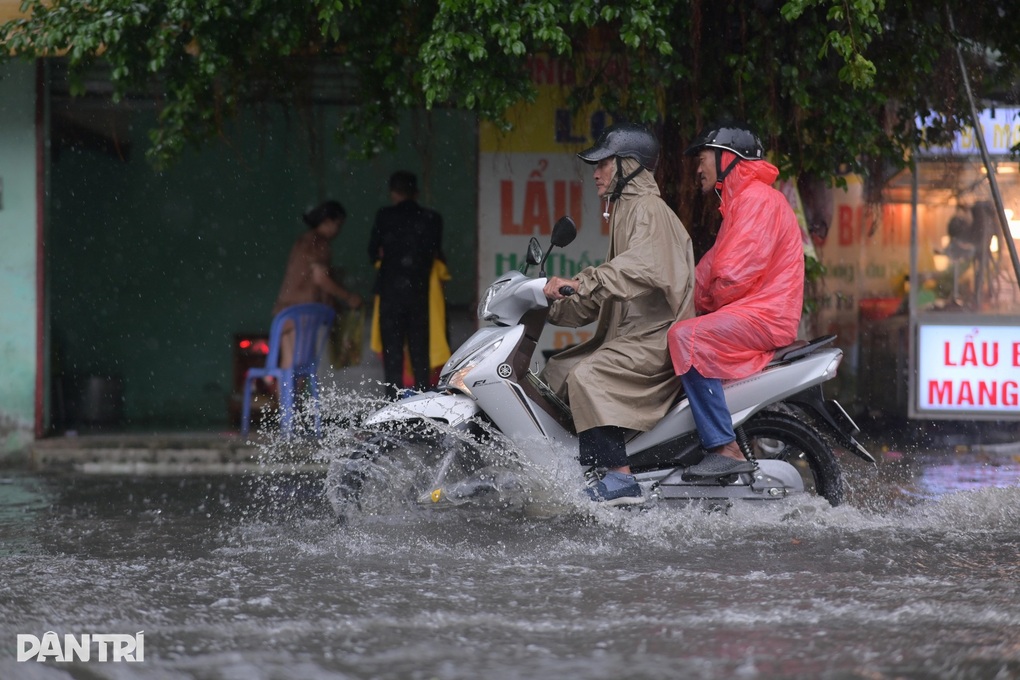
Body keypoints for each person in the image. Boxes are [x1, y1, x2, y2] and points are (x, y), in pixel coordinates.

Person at [541, 123, 696, 505]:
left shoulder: (647, 210)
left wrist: (581, 282)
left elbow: (637, 270)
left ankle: (619, 477)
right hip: (631, 338)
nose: (595, 172)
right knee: (554, 373)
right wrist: (552, 306)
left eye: (604, 163)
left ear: (629, 166)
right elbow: (608, 293)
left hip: (655, 340)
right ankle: (578, 467)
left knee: (587, 377)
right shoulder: (625, 209)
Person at [667, 123, 805, 477]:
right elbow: (707, 271)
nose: (698, 168)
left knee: (687, 337)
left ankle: (723, 447)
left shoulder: (756, 200)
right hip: (756, 313)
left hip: (764, 316)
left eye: (702, 158)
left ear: (727, 157)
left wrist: (705, 301)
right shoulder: (740, 203)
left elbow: (732, 276)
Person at [368, 171, 444, 399]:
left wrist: (389, 253)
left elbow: (373, 252)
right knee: (420, 354)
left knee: (393, 356)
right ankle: (422, 406)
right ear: (416, 193)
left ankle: (392, 406)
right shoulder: (432, 218)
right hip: (418, 294)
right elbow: (435, 252)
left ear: (393, 193)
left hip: (390, 294)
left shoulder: (384, 216)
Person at [273, 200, 363, 368]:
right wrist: (348, 297)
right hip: (301, 310)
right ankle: (288, 395)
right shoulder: (318, 243)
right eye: (338, 224)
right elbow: (320, 279)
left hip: (288, 310)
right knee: (297, 366)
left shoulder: (305, 241)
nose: (339, 230)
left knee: (289, 366)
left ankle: (284, 395)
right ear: (328, 222)